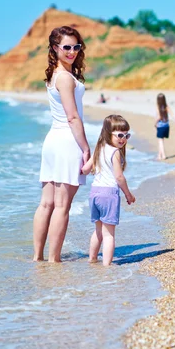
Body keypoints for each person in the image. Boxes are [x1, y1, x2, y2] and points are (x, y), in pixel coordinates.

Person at [33, 26, 90, 263]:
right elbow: (73, 117)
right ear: (55, 48)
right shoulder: (65, 77)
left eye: (76, 47)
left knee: (47, 203)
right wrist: (87, 149)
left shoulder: (54, 75)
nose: (72, 51)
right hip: (67, 142)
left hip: (52, 142)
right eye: (66, 47)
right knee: (61, 206)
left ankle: (38, 258)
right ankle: (54, 260)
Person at [82, 115, 135, 266]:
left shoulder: (99, 149)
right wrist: (128, 194)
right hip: (108, 194)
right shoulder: (115, 152)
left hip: (94, 193)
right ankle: (106, 267)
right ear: (108, 133)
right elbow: (119, 177)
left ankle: (92, 259)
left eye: (126, 135)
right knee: (109, 234)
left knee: (98, 231)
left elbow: (85, 169)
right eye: (119, 135)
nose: (123, 139)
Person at [155, 93, 175, 160]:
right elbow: (172, 115)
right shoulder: (166, 106)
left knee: (160, 141)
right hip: (166, 126)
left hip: (160, 126)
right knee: (161, 140)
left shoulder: (158, 107)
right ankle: (159, 155)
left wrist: (155, 123)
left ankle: (163, 155)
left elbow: (159, 117)